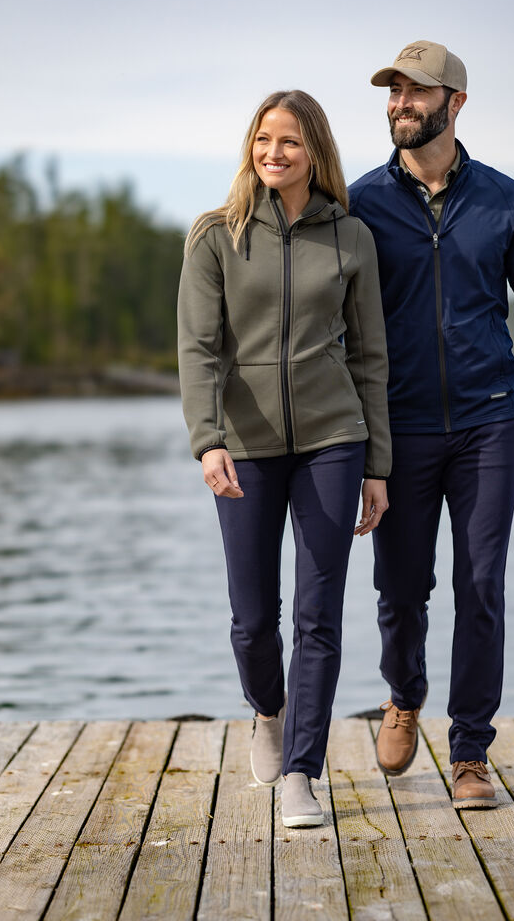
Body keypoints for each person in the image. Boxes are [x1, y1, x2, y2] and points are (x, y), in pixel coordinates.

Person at [349, 40, 514, 808]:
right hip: (398, 430)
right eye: (392, 91)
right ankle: (403, 694)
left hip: (489, 422)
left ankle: (469, 753)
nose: (400, 103)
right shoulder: (360, 204)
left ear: (454, 103)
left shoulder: (502, 200)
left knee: (481, 583)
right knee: (400, 589)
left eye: (415, 91)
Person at [177, 90, 391, 827]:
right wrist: (207, 439)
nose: (274, 152)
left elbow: (369, 357)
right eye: (264, 139)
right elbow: (198, 350)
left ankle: (302, 771)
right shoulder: (217, 235)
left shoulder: (350, 237)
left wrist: (377, 464)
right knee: (250, 618)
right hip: (245, 445)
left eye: (290, 141)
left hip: (334, 441)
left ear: (315, 152)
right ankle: (266, 711)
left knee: (318, 613)